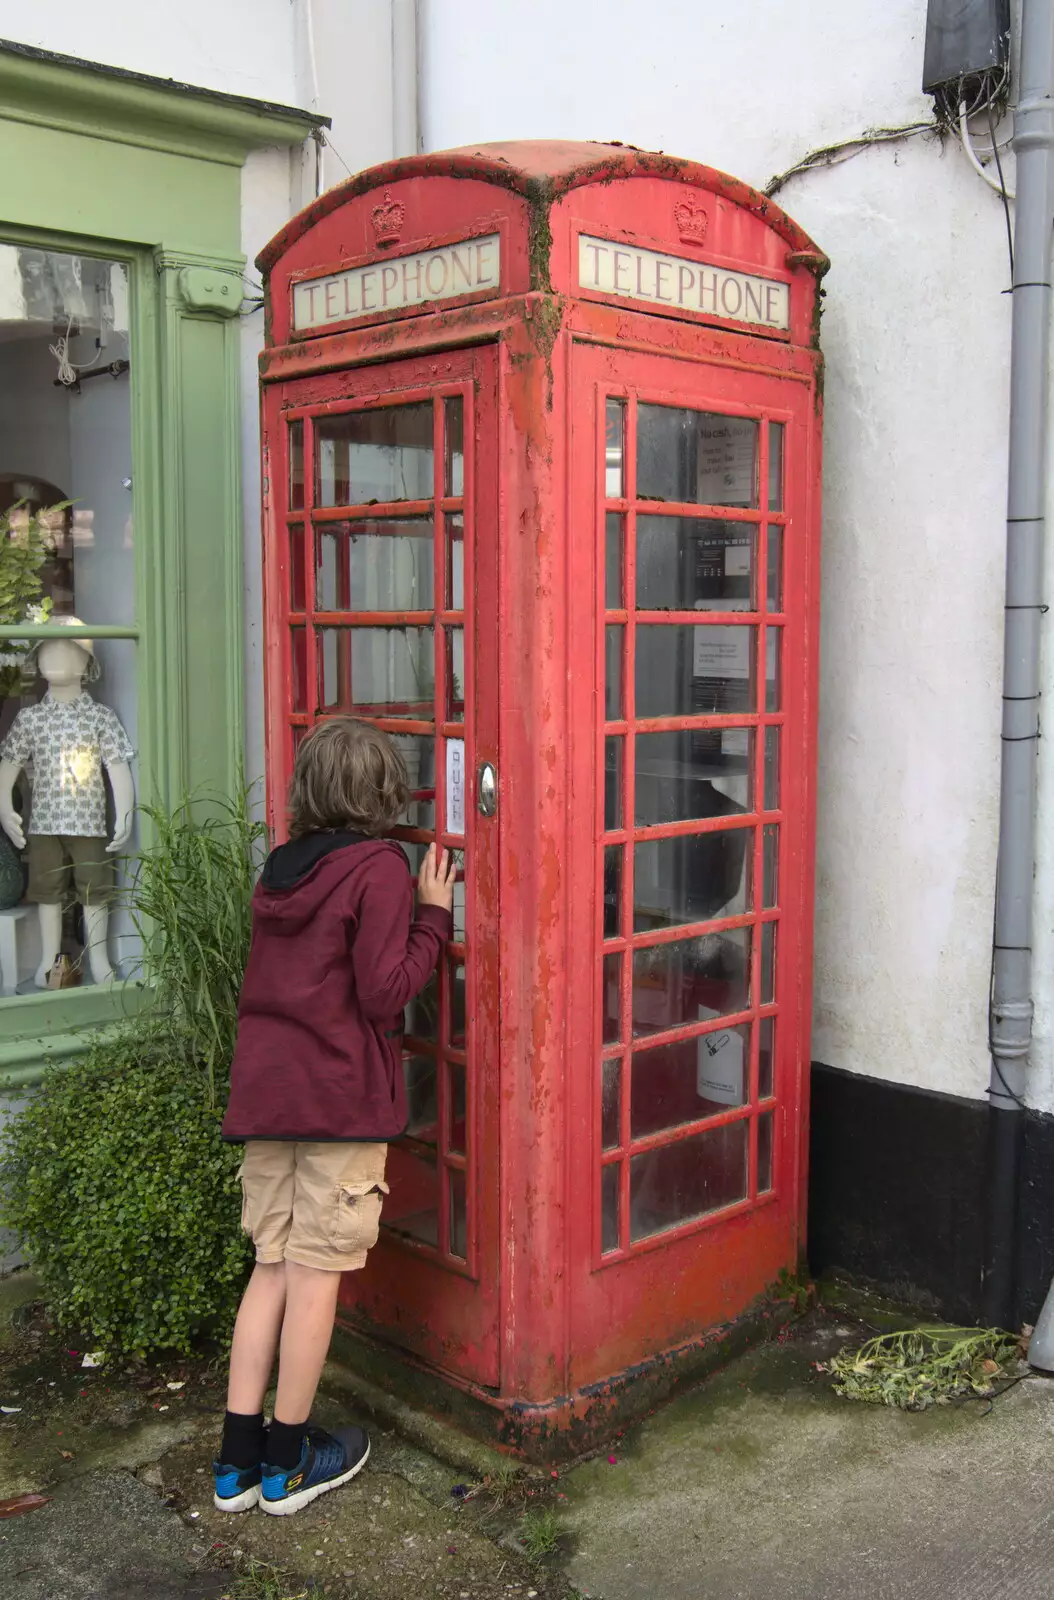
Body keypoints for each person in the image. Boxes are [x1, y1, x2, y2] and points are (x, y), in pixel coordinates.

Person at [212, 717, 455, 1516]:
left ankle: (235, 1463)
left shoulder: (281, 868)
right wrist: (433, 914)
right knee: (317, 1279)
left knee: (271, 1269)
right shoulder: (378, 867)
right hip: (338, 1102)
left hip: (268, 1097)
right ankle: (288, 1464)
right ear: (384, 791)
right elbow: (385, 993)